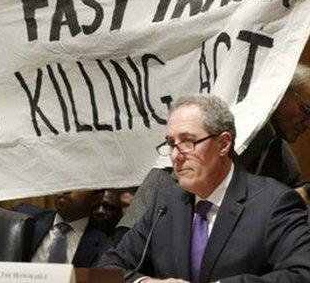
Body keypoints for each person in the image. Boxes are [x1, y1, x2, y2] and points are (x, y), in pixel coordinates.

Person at [97, 94, 310, 282]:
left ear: (224, 143)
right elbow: (106, 268)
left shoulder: (274, 202)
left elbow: (301, 274)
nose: (176, 155)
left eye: (188, 141)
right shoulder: (166, 203)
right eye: (171, 144)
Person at [117, 64, 310, 241]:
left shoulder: (279, 152)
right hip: (152, 230)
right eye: (306, 110)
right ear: (282, 92)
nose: (308, 123)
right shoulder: (236, 126)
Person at [14, 190, 113, 267]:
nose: (65, 190)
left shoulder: (105, 244)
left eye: (75, 184)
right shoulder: (23, 217)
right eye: (64, 183)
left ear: (96, 198)